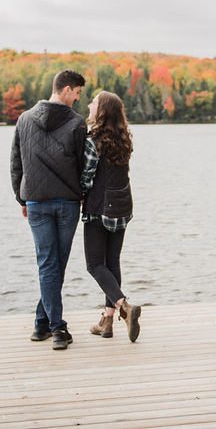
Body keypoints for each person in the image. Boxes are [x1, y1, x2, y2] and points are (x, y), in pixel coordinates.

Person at [10, 69, 87, 350]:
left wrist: (21, 199)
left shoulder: (24, 119)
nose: (77, 100)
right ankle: (57, 328)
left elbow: (15, 163)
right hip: (67, 203)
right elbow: (83, 166)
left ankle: (42, 323)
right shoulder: (77, 123)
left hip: (37, 202)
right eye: (77, 94)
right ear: (66, 89)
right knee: (56, 264)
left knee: (49, 264)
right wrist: (84, 195)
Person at [80, 90, 142, 342]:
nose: (89, 105)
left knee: (94, 264)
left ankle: (124, 306)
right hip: (121, 207)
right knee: (112, 261)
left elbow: (86, 178)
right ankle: (106, 322)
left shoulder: (93, 141)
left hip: (98, 209)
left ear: (102, 111)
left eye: (93, 103)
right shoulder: (125, 139)